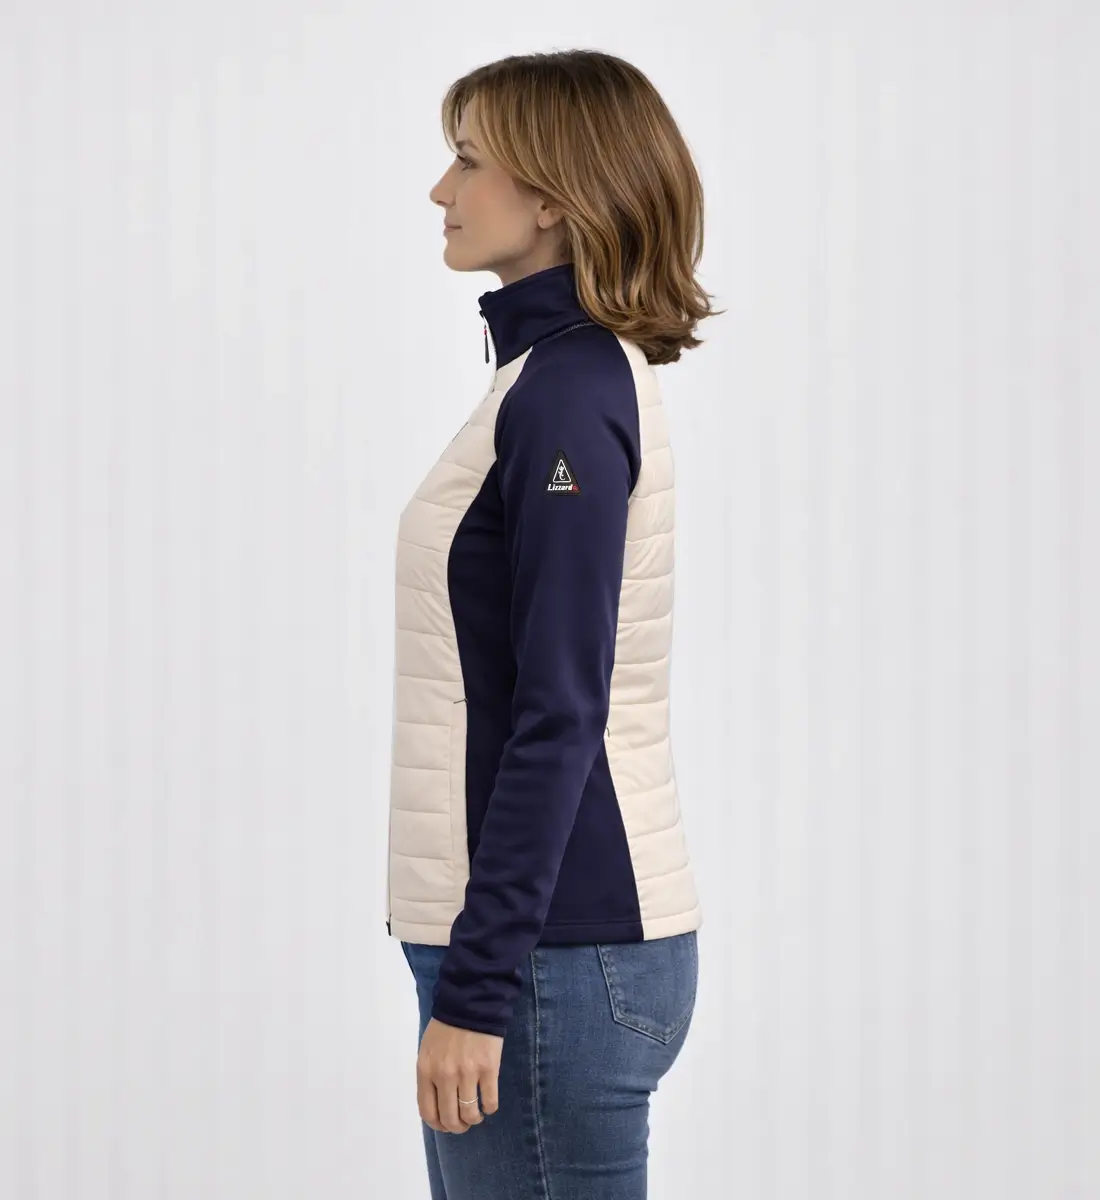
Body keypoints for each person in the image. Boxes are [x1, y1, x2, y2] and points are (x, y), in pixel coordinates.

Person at [385, 48, 723, 1200]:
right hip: (550, 948)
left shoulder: (565, 395)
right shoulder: (548, 380)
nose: (441, 189)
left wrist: (477, 988)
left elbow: (560, 709)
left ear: (550, 197)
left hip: (549, 957)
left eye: (467, 160)